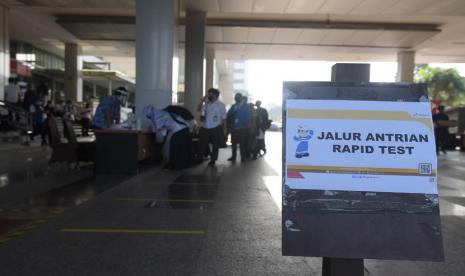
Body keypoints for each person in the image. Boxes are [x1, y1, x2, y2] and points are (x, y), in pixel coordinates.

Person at [144, 105, 192, 170]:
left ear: (149, 114)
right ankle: (183, 164)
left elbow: (160, 130)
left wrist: (160, 142)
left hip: (178, 130)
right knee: (181, 148)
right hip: (184, 129)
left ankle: (178, 166)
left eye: (148, 117)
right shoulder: (161, 112)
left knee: (176, 148)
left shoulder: (156, 115)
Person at [196, 88, 226, 166]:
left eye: (210, 94)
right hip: (205, 127)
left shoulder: (221, 105)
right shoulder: (207, 103)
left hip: (215, 127)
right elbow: (198, 109)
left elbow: (224, 118)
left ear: (215, 95)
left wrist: (224, 129)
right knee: (201, 143)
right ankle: (200, 158)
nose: (208, 95)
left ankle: (213, 160)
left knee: (215, 145)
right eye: (208, 93)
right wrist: (202, 100)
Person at [227, 93, 251, 162]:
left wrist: (244, 123)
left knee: (242, 143)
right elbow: (228, 114)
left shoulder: (246, 106)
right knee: (233, 143)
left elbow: (248, 116)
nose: (237, 98)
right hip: (233, 127)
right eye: (236, 97)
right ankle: (233, 156)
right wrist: (234, 109)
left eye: (238, 97)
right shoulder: (233, 106)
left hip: (242, 128)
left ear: (241, 98)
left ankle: (243, 157)